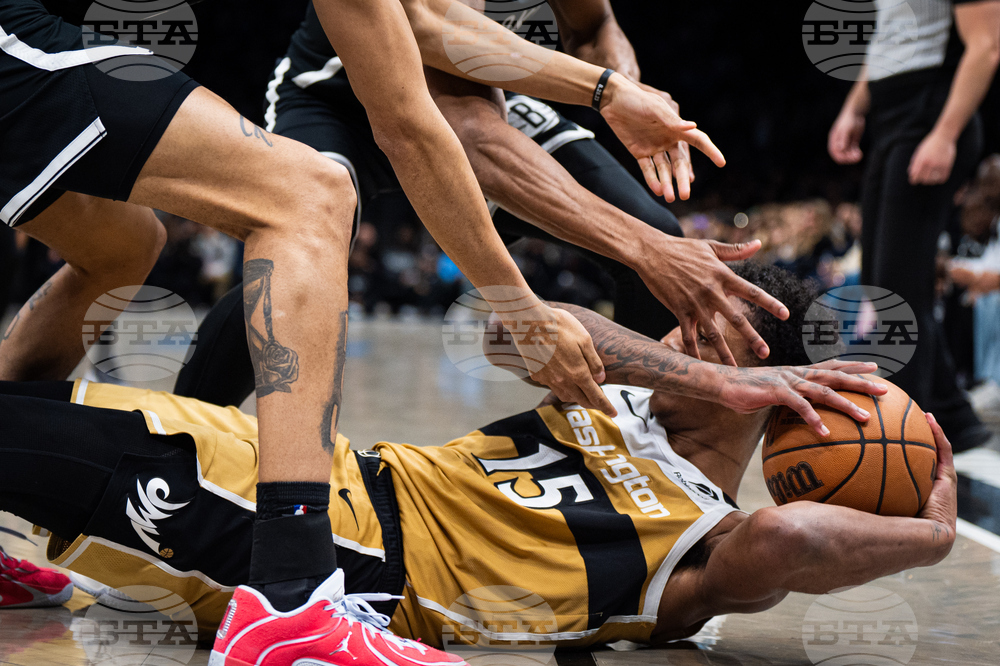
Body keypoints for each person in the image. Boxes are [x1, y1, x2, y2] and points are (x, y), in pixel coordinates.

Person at [0, 0, 747, 662]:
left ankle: (645, 487)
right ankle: (268, 576)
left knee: (126, 246)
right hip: (335, 90)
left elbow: (590, 24)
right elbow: (431, 67)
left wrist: (628, 89)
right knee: (305, 202)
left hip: (442, 85)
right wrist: (605, 98)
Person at [0, 263, 952, 657]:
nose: (675, 340)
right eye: (679, 318)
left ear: (765, 374)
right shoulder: (612, 392)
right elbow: (510, 327)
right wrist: (694, 368)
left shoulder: (707, 544)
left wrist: (934, 531)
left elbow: (795, 539)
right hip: (310, 462)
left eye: (704, 331)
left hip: (345, 560)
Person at [828, 0, 1000, 452]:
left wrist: (945, 134)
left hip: (932, 113)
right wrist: (854, 108)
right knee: (884, 283)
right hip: (890, 118)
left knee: (897, 291)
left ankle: (904, 437)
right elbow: (889, 37)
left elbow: (986, 46)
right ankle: (952, 416)